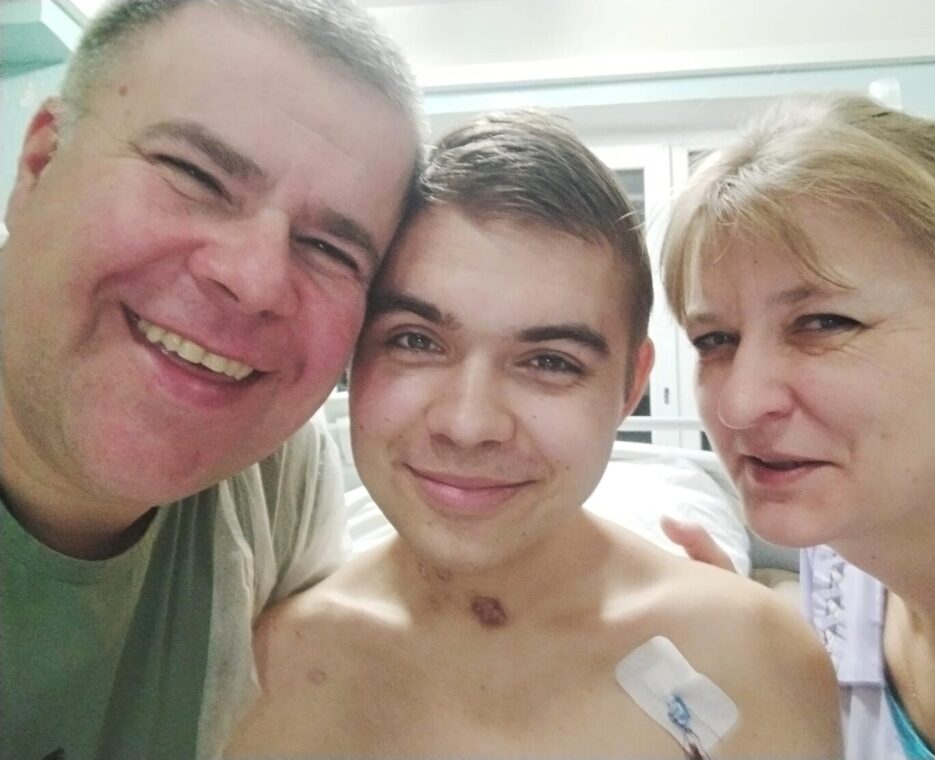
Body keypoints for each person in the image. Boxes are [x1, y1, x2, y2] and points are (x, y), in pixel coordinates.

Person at [226, 110, 841, 759]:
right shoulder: (264, 668)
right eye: (415, 341)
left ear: (629, 387)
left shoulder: (757, 659)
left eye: (550, 361)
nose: (469, 425)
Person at [0, 1, 422, 758]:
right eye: (195, 175)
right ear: (40, 164)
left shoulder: (277, 469)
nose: (256, 280)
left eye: (331, 249)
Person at [660, 94, 935, 759]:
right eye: (715, 339)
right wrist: (764, 679)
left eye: (824, 323)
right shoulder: (839, 560)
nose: (739, 404)